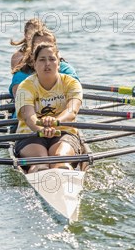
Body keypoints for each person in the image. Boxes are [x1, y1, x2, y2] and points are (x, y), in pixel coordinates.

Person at [14, 43, 83, 173]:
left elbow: (71, 111)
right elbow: (29, 117)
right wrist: (41, 128)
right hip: (31, 133)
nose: (47, 63)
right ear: (34, 64)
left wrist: (54, 121)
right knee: (41, 162)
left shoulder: (71, 83)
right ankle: (40, 173)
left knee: (60, 160)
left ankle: (64, 177)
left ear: (58, 63)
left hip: (63, 132)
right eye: (42, 59)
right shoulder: (25, 87)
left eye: (52, 59)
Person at [9, 28, 79, 99]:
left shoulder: (67, 70)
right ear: (32, 51)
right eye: (39, 47)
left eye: (48, 46)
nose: (44, 50)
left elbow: (75, 93)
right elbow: (21, 100)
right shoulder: (21, 74)